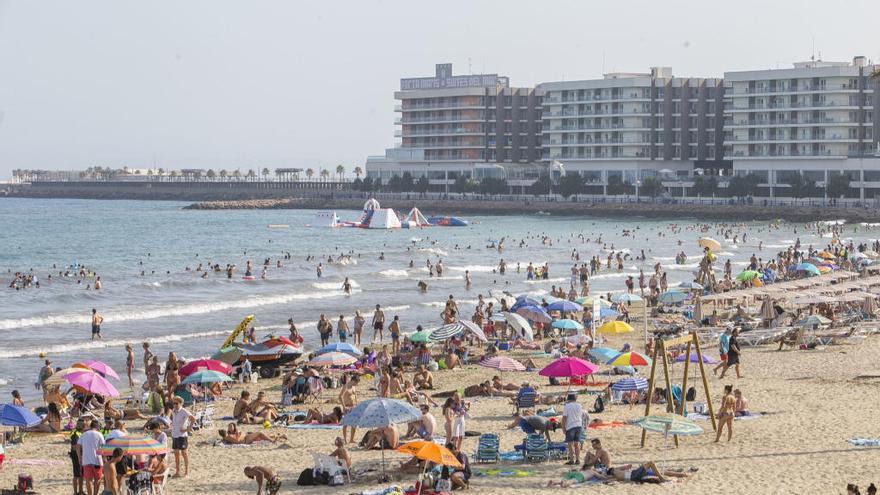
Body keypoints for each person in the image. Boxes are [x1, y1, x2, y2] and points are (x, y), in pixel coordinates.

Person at [76, 419, 105, 495]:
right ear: (97, 427)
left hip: (86, 460)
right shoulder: (99, 434)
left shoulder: (84, 434)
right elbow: (103, 447)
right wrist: (103, 457)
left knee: (88, 480)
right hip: (97, 460)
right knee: (97, 479)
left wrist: (79, 457)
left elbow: (77, 446)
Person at [170, 396, 195, 477]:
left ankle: (187, 472)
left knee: (184, 453)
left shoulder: (184, 411)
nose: (175, 405)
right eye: (173, 403)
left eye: (176, 403)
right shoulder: (173, 411)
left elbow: (193, 419)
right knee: (176, 454)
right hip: (174, 434)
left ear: (180, 403)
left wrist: (188, 428)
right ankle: (177, 471)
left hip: (182, 435)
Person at [562, 393, 585, 465]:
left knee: (570, 444)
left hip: (571, 426)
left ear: (568, 399)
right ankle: (577, 460)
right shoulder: (579, 405)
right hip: (578, 425)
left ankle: (571, 460)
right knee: (576, 444)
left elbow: (564, 418)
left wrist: (563, 428)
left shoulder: (567, 406)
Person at [219, 423, 286, 444]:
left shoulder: (231, 434)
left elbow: (241, 434)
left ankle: (280, 437)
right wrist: (240, 434)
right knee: (260, 433)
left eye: (231, 426)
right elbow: (238, 439)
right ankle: (272, 441)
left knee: (262, 437)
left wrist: (240, 434)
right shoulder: (229, 435)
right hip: (246, 439)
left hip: (247, 437)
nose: (229, 428)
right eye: (229, 427)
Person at [69, 419, 85, 495]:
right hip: (76, 455)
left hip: (80, 454)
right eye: (84, 425)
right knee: (76, 475)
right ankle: (75, 492)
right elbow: (74, 446)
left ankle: (81, 491)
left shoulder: (80, 432)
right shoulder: (75, 433)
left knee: (81, 474)